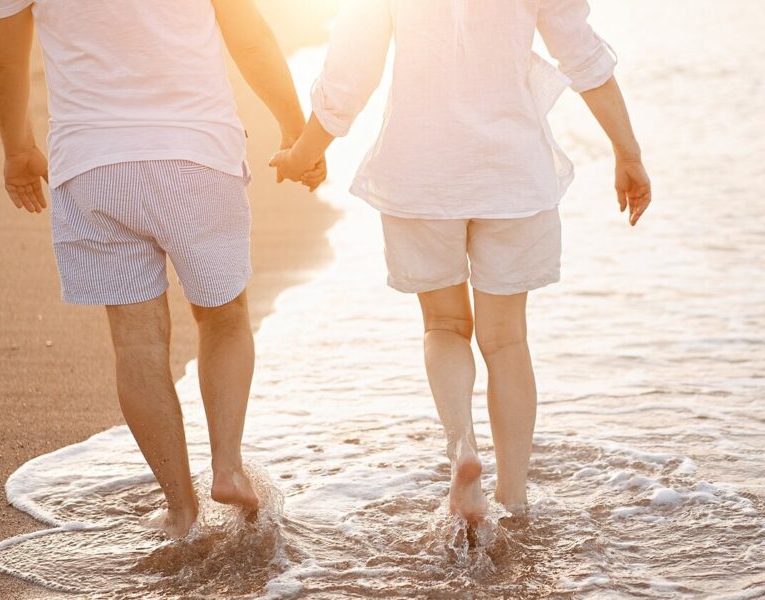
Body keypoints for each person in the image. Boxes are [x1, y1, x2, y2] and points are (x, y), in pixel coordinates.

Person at [271, 0, 652, 522]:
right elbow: (584, 58)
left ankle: (463, 448)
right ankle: (513, 499)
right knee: (508, 339)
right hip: (512, 172)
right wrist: (627, 152)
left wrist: (303, 152)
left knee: (445, 325)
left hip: (420, 172)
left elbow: (349, 75)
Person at [0, 0, 325, 538]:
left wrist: (17, 150)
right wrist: (295, 130)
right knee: (224, 317)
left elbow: (1, 59)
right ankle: (229, 467)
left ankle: (181, 508)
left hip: (92, 165)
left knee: (137, 343)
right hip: (196, 155)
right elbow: (250, 36)